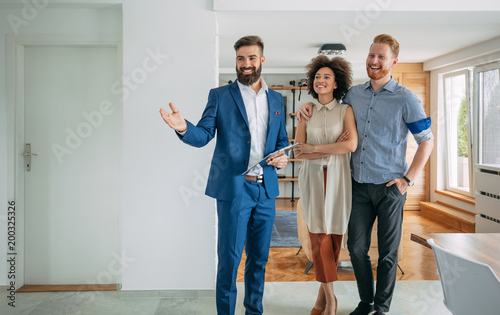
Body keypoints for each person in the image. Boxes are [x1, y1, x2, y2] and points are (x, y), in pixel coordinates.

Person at [298, 34, 434, 315]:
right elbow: (328, 102)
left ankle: (381, 308)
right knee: (356, 248)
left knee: (388, 253)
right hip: (358, 185)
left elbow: (427, 140)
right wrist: (307, 106)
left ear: (393, 62)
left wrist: (407, 180)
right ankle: (366, 301)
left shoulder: (406, 98)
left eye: (381, 57)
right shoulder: (353, 95)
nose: (374, 61)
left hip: (390, 187)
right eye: (372, 55)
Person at [160, 35, 289, 315]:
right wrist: (183, 127)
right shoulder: (219, 96)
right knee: (229, 261)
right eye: (241, 58)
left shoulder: (277, 99)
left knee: (259, 260)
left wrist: (283, 156)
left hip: (266, 190)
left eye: (252, 58)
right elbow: (203, 135)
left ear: (262, 60)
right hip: (234, 190)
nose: (246, 64)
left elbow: (281, 141)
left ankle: (254, 311)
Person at [294, 56, 358, 315]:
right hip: (312, 180)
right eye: (317, 77)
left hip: (338, 180)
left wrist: (315, 148)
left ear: (336, 84)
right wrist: (332, 148)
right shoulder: (305, 111)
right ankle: (332, 300)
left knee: (334, 237)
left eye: (326, 77)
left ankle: (321, 300)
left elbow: (350, 146)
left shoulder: (345, 111)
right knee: (318, 237)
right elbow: (299, 151)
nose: (320, 81)